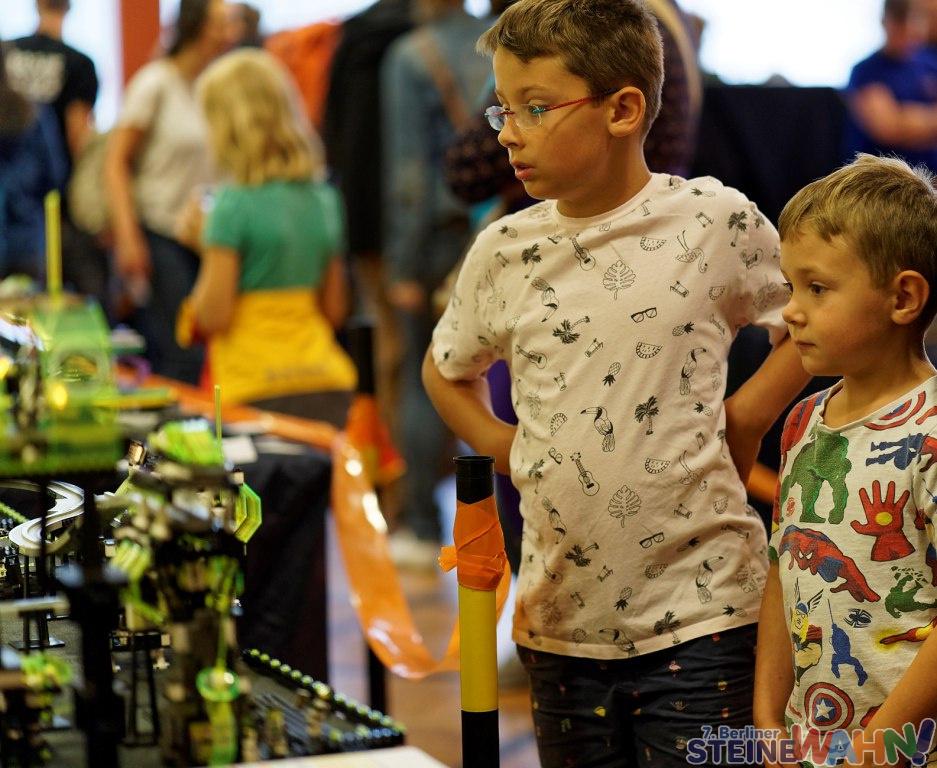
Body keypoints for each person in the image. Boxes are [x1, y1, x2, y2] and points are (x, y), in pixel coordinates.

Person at [422, 0, 810, 764]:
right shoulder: (503, 250)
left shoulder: (712, 220)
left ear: (622, 110)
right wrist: (506, 449)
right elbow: (445, 368)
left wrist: (745, 417)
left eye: (534, 108)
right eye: (502, 109)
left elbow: (805, 317)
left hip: (706, 615)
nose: (506, 133)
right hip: (559, 626)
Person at [754, 156, 937, 767]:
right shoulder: (804, 420)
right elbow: (782, 569)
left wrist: (876, 746)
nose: (791, 311)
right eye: (790, 287)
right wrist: (767, 715)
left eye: (818, 288)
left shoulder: (932, 430)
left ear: (903, 297)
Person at [176, 49, 356, 426]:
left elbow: (213, 316)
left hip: (253, 384)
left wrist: (207, 246)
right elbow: (335, 309)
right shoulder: (324, 198)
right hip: (326, 378)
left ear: (226, 129)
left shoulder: (231, 205)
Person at [380, 0, 494, 568]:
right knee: (498, 381)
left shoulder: (411, 55)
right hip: (500, 226)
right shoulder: (496, 44)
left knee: (429, 377)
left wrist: (402, 265)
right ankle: (498, 524)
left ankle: (424, 528)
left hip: (436, 241)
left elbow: (409, 173)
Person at [104, 0, 231, 383]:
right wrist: (127, 236)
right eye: (220, 23)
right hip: (161, 233)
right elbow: (115, 163)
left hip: (206, 237)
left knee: (205, 347)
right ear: (197, 25)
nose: (229, 32)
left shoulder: (214, 85)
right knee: (181, 353)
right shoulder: (155, 83)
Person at [844, 0, 937, 174]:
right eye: (900, 26)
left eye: (912, 25)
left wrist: (909, 118)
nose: (907, 34)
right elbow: (889, 128)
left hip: (930, 177)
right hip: (880, 180)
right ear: (885, 22)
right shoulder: (865, 71)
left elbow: (901, 124)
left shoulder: (930, 64)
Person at [0, 44, 65, 279]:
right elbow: (54, 176)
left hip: (23, 239)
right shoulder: (35, 112)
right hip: (29, 240)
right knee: (26, 303)